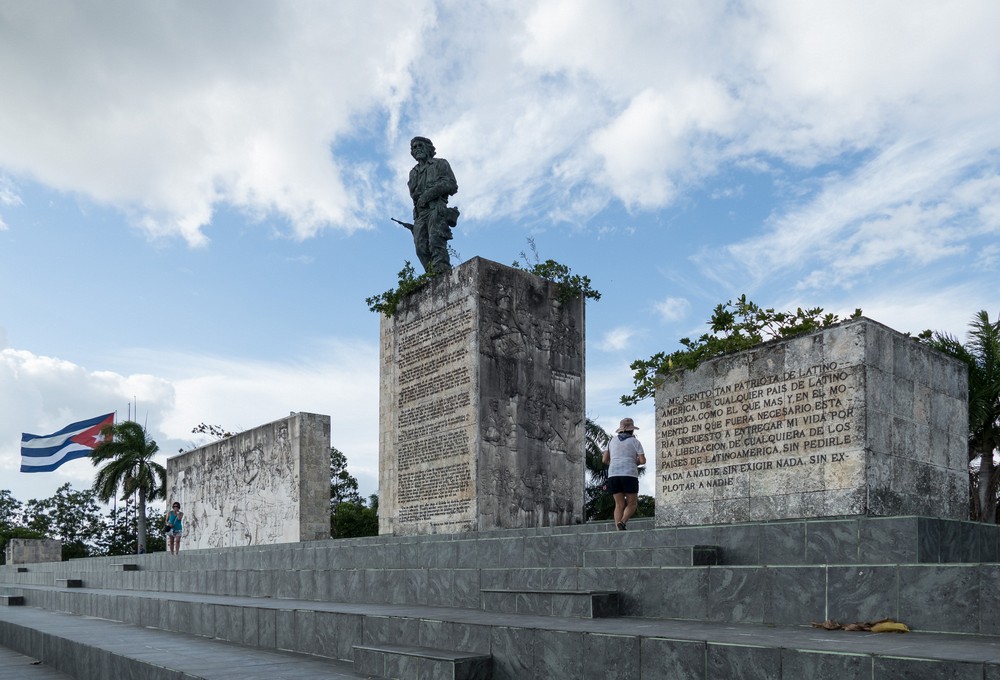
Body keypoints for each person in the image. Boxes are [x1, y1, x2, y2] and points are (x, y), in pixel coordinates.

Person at [407, 136, 458, 274]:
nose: (417, 149)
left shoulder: (440, 164)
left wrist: (428, 195)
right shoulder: (413, 173)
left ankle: (442, 273)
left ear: (429, 148)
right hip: (420, 214)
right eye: (414, 147)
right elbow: (414, 196)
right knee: (420, 247)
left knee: (436, 241)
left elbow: (451, 185)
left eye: (420, 145)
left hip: (436, 209)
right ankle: (432, 276)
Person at [602, 417, 646, 530]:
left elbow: (604, 459)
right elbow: (642, 461)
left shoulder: (611, 441)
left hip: (613, 474)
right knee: (632, 503)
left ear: (620, 430)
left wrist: (615, 463)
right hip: (629, 474)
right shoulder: (635, 441)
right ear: (632, 430)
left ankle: (618, 531)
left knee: (619, 504)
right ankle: (623, 521)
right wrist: (633, 461)